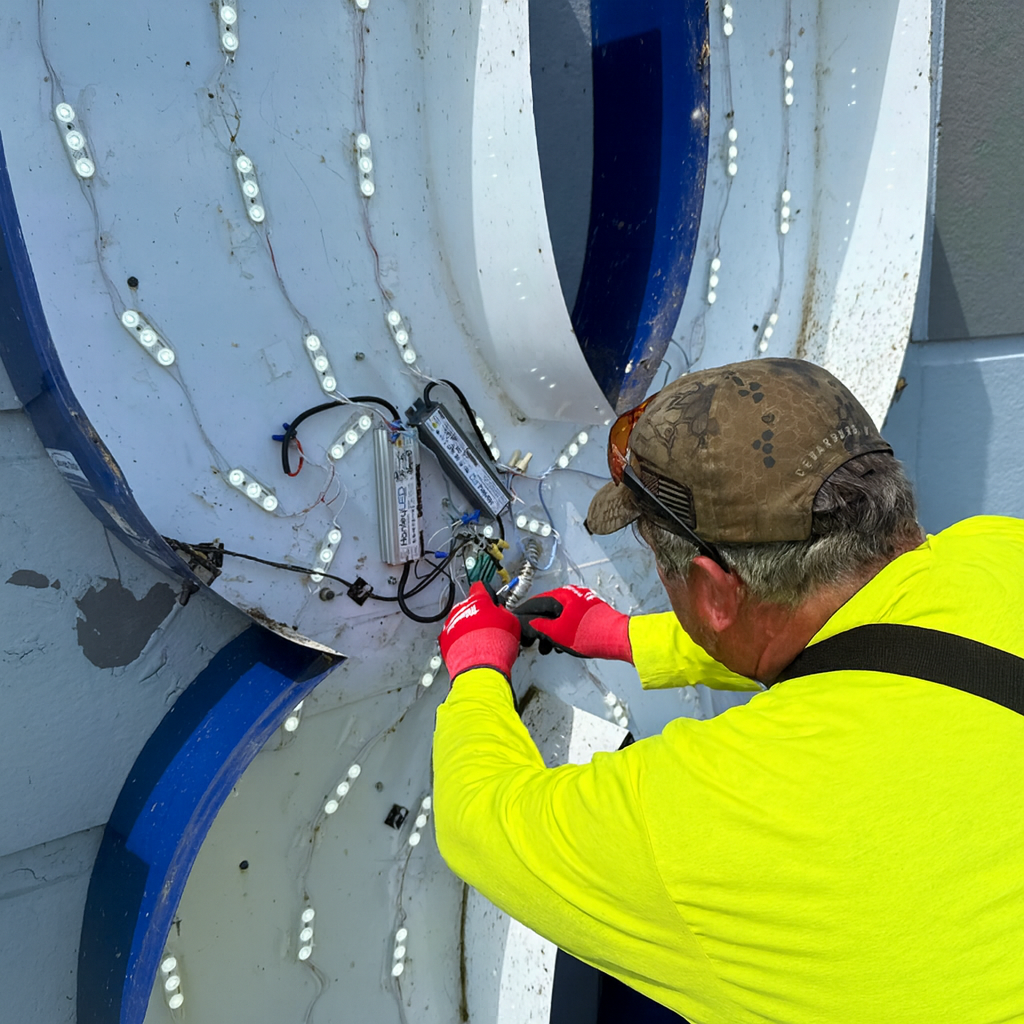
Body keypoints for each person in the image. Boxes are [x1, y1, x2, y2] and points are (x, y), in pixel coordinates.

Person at [431, 358, 1024, 1024]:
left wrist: (477, 668)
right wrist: (628, 638)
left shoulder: (706, 813)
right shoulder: (996, 549)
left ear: (714, 592)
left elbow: (480, 821)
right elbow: (866, 630)